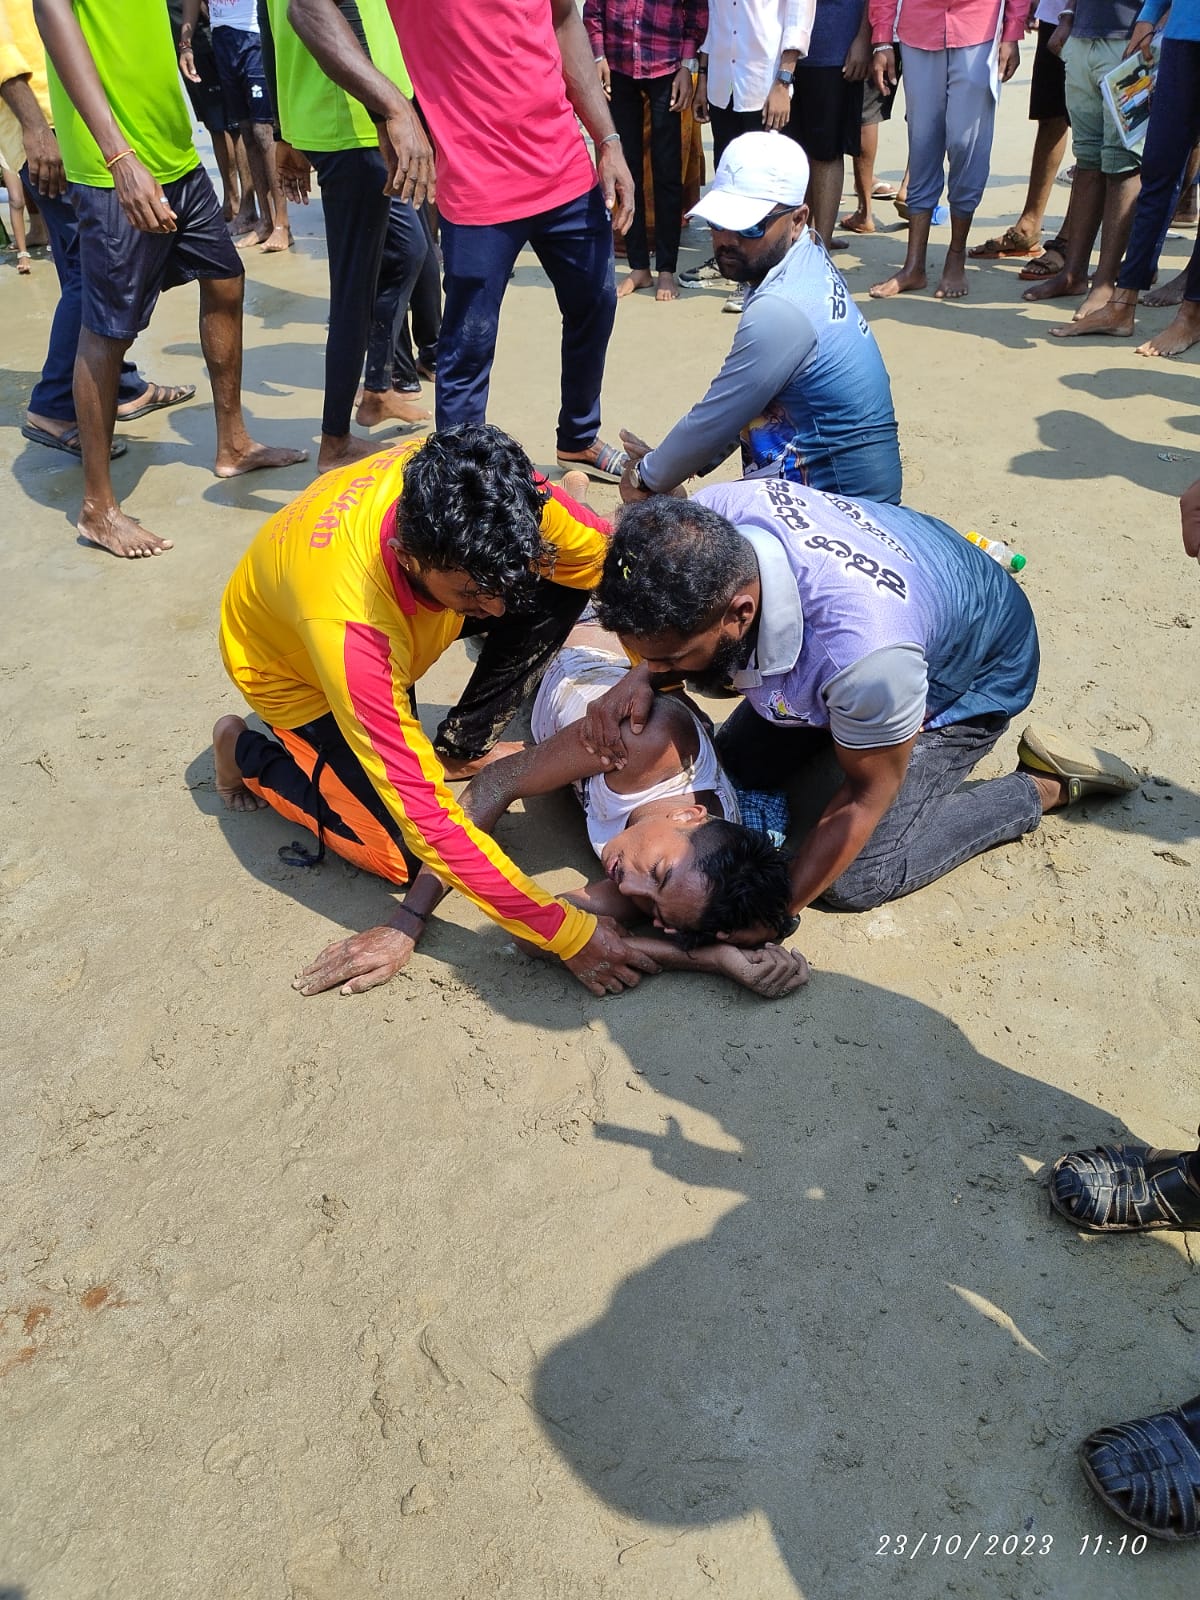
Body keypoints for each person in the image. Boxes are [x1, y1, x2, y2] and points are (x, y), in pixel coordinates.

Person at [213, 423, 668, 1000]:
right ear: (407, 556)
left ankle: (460, 745)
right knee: (400, 855)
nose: (499, 610)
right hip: (297, 674)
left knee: (557, 576)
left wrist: (641, 669)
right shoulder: (351, 630)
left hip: (395, 620)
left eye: (502, 586)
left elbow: (609, 561)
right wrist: (567, 934)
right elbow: (430, 823)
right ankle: (245, 753)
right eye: (474, 595)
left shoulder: (500, 493)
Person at [581, 486, 1140, 916]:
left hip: (973, 672)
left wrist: (777, 914)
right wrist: (641, 676)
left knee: (856, 879)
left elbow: (867, 796)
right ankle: (852, 731)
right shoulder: (705, 526)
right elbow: (666, 652)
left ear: (739, 613)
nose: (656, 671)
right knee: (739, 764)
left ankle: (1041, 786)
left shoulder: (866, 659)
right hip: (913, 589)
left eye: (671, 657)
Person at [299, 639, 808, 997]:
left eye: (655, 912)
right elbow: (498, 784)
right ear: (689, 813)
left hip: (557, 727)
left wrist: (712, 959)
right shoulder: (642, 743)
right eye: (656, 874)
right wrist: (406, 921)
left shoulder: (676, 888)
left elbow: (533, 933)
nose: (631, 889)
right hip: (577, 639)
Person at [296, 0, 637, 480]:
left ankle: (578, 438)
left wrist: (608, 140)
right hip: (476, 179)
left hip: (564, 163)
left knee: (596, 302)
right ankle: (460, 477)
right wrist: (391, 105)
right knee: (468, 346)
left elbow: (563, 19)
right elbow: (306, 9)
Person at [31, 0, 306, 558]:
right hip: (116, 167)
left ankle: (233, 442)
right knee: (108, 330)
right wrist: (119, 157)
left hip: (174, 152)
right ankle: (98, 508)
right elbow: (53, 21)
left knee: (225, 279)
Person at [617, 133, 902, 509]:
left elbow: (716, 416)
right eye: (719, 222)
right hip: (855, 492)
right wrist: (679, 462)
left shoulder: (781, 308)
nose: (727, 240)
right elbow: (744, 403)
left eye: (750, 227)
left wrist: (648, 476)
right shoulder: (808, 256)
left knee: (656, 524)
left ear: (798, 219)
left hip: (847, 512)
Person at [1, 0, 194, 457]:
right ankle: (52, 406)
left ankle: (122, 386)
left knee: (84, 270)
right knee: (95, 276)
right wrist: (36, 128)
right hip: (50, 127)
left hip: (70, 119)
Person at [259, 0, 432, 472]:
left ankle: (377, 388)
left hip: (337, 114)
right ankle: (335, 439)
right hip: (353, 122)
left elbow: (268, 24)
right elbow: (330, 11)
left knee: (410, 251)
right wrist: (386, 115)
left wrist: (282, 128)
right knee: (354, 290)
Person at [1048, 2, 1200, 355]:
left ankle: (1190, 316)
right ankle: (1121, 305)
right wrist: (1149, 14)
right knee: (1158, 170)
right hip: (1181, 33)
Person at [868, 0, 1025, 300]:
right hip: (918, 28)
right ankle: (913, 265)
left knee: (967, 146)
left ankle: (956, 255)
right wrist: (882, 40)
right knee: (922, 141)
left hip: (978, 29)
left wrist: (1012, 33)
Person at [686, 0, 814, 309]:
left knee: (764, 193)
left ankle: (762, 275)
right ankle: (731, 264)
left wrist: (784, 80)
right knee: (728, 179)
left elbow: (798, 17)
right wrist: (703, 79)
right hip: (723, 84)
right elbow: (715, 19)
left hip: (764, 82)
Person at [1021, 0, 1143, 321]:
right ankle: (1073, 274)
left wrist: (1153, 31)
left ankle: (1104, 283)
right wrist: (1068, 16)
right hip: (1081, 38)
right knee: (1087, 159)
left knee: (1122, 165)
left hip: (1130, 41)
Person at [585, 0, 706, 303]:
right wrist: (597, 56)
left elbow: (696, 12)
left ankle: (667, 267)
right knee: (626, 169)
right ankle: (639, 266)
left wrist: (687, 67)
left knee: (667, 171)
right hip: (618, 65)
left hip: (666, 66)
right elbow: (594, 9)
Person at [968, 0, 1075, 269]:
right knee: (1051, 113)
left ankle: (1070, 239)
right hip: (1057, 13)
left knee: (1093, 130)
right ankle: (1029, 225)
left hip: (1111, 21)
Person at [180, 0, 290, 252]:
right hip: (222, 35)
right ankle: (265, 220)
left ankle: (283, 224)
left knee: (264, 132)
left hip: (253, 33)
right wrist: (186, 43)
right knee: (247, 131)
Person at [789, 0, 872, 249]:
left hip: (836, 47)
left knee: (826, 152)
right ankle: (796, 241)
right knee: (792, 153)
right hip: (779, 48)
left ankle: (820, 247)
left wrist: (864, 38)